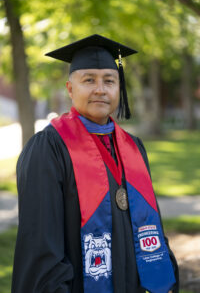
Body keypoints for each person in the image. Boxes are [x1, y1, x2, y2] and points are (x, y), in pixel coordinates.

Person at [12, 34, 179, 293]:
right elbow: (41, 246)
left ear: (118, 88)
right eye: (89, 80)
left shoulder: (133, 147)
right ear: (70, 88)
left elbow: (151, 223)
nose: (100, 89)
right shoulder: (48, 149)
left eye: (109, 81)